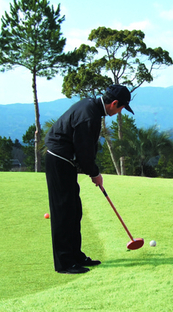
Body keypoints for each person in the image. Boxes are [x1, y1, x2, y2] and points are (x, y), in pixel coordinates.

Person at [45, 85, 134, 274]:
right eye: (120, 108)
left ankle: (75, 255)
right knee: (63, 212)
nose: (119, 112)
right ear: (114, 103)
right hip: (59, 160)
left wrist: (93, 170)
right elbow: (84, 152)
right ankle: (64, 263)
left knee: (74, 210)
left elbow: (88, 148)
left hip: (65, 161)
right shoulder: (90, 116)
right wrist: (94, 173)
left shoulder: (92, 107)